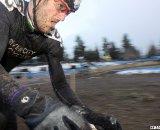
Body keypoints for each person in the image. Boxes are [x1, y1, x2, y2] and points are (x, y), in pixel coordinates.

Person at [0, 0, 122, 129]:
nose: (62, 18)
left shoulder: (53, 41)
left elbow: (60, 85)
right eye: (60, 7)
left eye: (67, 13)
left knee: (8, 121)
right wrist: (30, 103)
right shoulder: (6, 9)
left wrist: (86, 113)